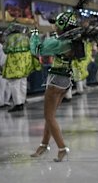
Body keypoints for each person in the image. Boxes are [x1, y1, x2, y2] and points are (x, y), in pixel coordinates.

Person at [29, 12, 81, 162]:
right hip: (65, 80)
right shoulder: (71, 41)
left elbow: (36, 50)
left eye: (57, 24)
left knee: (49, 116)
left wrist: (34, 33)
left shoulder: (60, 43)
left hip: (56, 80)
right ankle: (44, 145)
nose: (55, 26)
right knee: (50, 115)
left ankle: (62, 148)